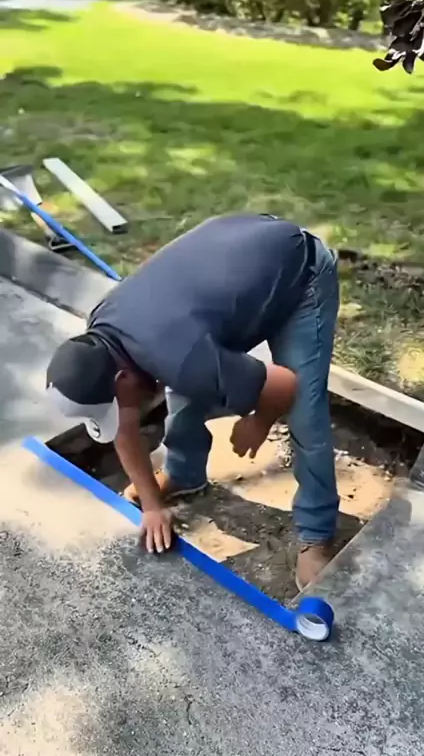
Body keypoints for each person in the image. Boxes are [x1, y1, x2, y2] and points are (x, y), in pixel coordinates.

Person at [46, 213, 339, 590]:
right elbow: (124, 424)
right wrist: (152, 506)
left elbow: (285, 385)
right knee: (184, 382)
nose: (119, 418)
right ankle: (184, 473)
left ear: (121, 380)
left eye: (113, 408)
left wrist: (258, 422)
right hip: (238, 274)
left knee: (305, 412)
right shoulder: (103, 334)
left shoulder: (181, 358)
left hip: (300, 272)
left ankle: (317, 532)